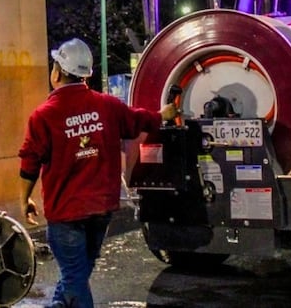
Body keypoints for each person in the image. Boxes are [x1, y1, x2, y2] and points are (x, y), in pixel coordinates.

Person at [18, 38, 177, 308]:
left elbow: (29, 163)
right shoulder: (108, 106)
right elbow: (138, 120)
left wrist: (24, 200)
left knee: (74, 278)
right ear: (86, 75)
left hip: (67, 213)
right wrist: (164, 114)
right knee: (77, 275)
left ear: (57, 72)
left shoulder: (44, 116)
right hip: (101, 210)